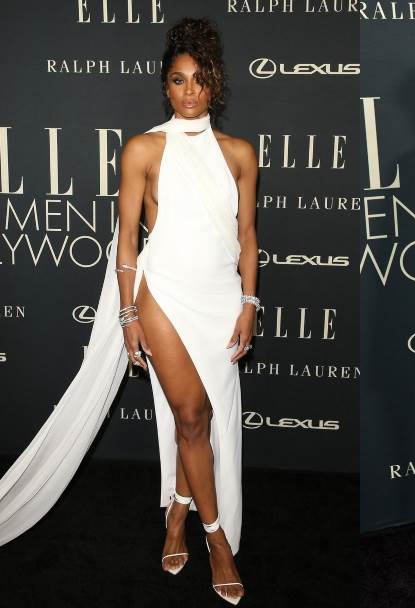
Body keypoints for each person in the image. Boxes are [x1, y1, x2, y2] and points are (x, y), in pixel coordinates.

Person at [0, 17, 256, 605]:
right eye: (178, 80)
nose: (189, 91)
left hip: (222, 299)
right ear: (164, 85)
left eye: (199, 80)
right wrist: (127, 314)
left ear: (215, 84)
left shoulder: (241, 153)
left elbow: (247, 236)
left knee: (203, 419)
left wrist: (249, 302)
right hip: (161, 294)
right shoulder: (144, 148)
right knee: (190, 416)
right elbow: (126, 241)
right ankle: (216, 540)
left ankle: (177, 512)